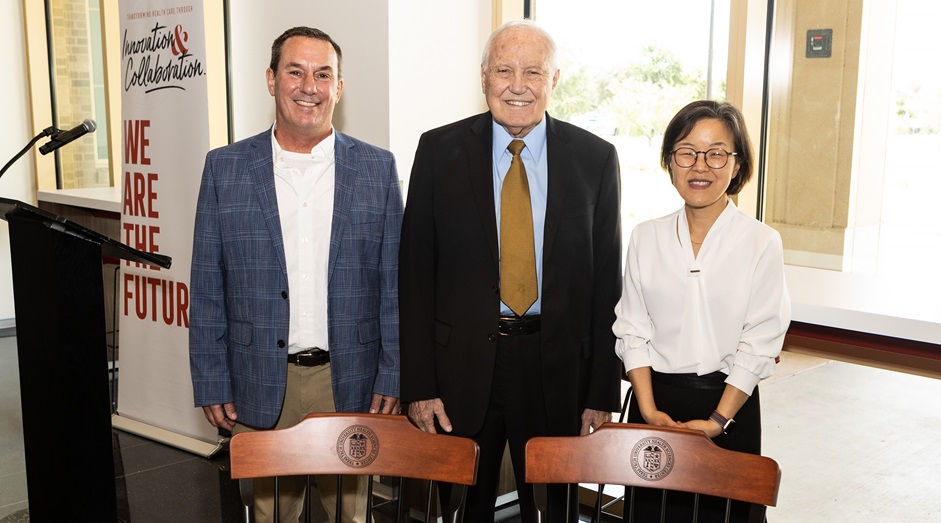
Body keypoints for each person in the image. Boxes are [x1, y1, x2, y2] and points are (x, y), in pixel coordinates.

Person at [398, 19, 623, 521]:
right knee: (464, 508)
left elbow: (608, 284)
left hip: (558, 370)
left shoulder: (595, 159)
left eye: (533, 72)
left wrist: (601, 391)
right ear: (483, 78)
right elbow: (414, 279)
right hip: (460, 373)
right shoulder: (438, 152)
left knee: (554, 510)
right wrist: (418, 385)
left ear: (555, 80)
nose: (517, 85)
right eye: (504, 70)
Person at [188, 26, 403, 523]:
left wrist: (392, 371)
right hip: (259, 380)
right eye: (296, 72)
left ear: (340, 87)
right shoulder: (225, 169)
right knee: (269, 517)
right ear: (271, 79)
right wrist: (211, 377)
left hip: (349, 380)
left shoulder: (377, 169)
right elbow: (206, 286)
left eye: (323, 74)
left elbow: (393, 284)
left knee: (350, 516)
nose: (310, 86)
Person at [613, 99, 791, 521]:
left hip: (729, 405)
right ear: (670, 161)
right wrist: (650, 410)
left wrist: (717, 421)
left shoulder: (761, 242)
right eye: (687, 151)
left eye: (716, 154)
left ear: (737, 165)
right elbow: (632, 330)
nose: (700, 166)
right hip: (655, 404)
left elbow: (760, 341)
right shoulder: (646, 237)